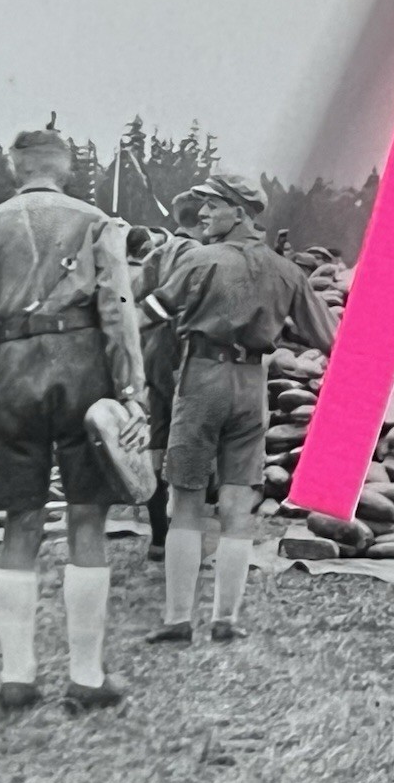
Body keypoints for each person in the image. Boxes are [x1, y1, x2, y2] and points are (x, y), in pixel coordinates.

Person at [0, 129, 147, 713]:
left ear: (13, 168)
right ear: (66, 169)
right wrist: (132, 394)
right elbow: (118, 312)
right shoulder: (97, 221)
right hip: (82, 370)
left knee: (20, 522)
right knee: (87, 520)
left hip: (12, 372)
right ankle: (85, 676)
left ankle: (17, 676)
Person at [140, 173, 337, 644]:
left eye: (213, 204)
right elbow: (332, 339)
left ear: (241, 214)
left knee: (185, 500)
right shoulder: (288, 271)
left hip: (202, 379)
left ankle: (177, 620)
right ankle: (226, 619)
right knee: (237, 505)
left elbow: (146, 313)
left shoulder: (200, 261)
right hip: (253, 386)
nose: (203, 213)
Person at [132, 195, 208, 561]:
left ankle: (159, 536)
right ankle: (182, 534)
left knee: (157, 440)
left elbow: (134, 300)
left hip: (153, 354)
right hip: (185, 355)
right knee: (190, 439)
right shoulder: (201, 254)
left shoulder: (157, 254)